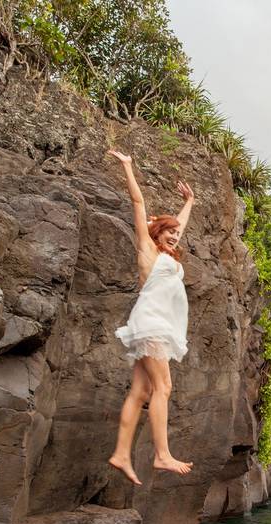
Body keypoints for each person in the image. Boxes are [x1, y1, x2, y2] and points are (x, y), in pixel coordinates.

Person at [107, 149, 195, 485]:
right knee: (164, 387)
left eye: (176, 233)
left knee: (141, 392)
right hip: (152, 323)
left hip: (152, 325)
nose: (175, 235)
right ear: (155, 234)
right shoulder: (147, 250)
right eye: (169, 232)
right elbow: (139, 204)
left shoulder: (169, 252)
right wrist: (128, 167)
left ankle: (120, 454)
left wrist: (190, 202)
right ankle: (162, 455)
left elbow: (180, 225)